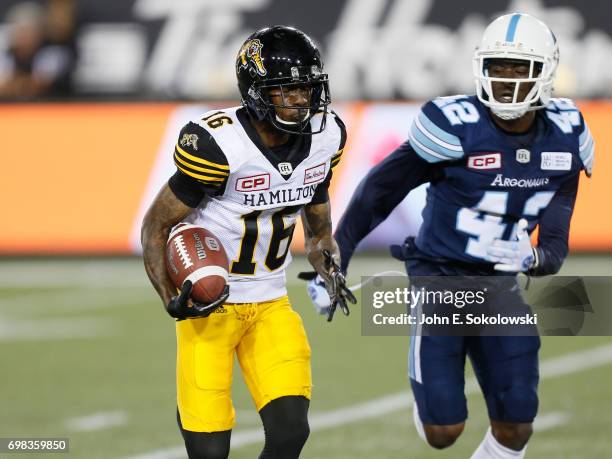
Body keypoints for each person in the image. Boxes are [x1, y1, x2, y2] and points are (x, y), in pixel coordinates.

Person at [310, 13, 593, 459]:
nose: (507, 79)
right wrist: (336, 260)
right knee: (444, 431)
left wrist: (533, 259)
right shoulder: (455, 124)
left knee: (517, 421)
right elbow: (379, 191)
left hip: (499, 288)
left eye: (520, 68)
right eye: (499, 66)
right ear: (481, 66)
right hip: (440, 279)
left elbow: (555, 244)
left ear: (547, 71)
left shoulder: (567, 133)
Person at [141, 25, 353, 459]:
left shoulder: (326, 137)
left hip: (272, 303)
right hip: (210, 310)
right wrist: (170, 297)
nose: (300, 100)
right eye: (286, 90)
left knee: (291, 432)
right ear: (256, 91)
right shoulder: (220, 143)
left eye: (306, 89)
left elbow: (318, 229)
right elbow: (155, 228)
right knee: (210, 453)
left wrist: (327, 263)